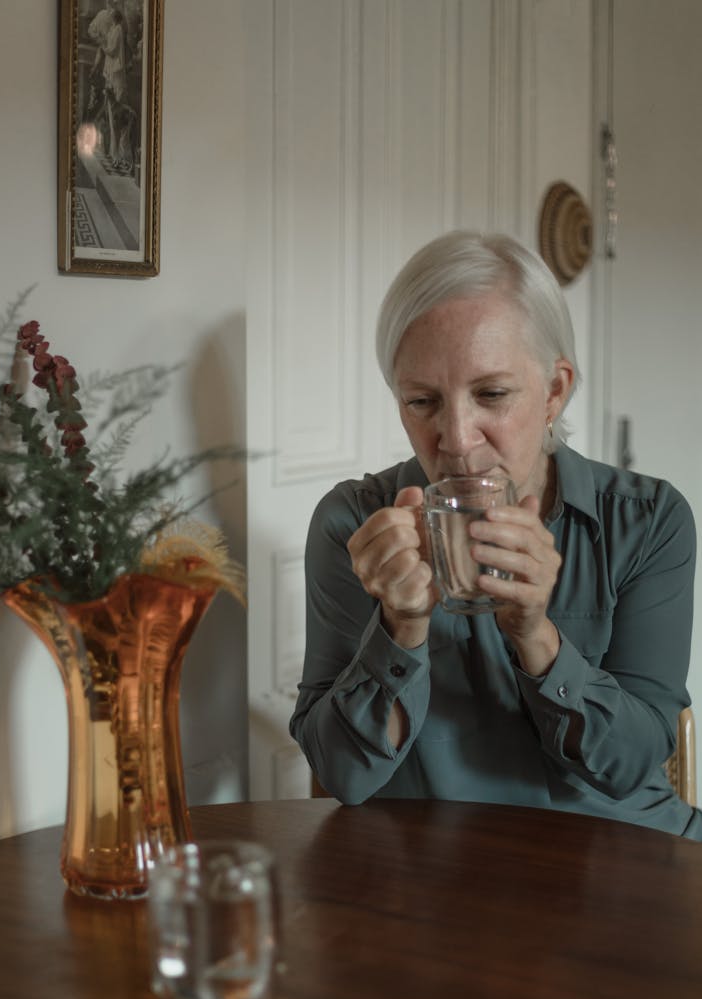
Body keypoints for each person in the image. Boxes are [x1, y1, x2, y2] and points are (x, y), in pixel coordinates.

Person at [289, 230, 702, 841]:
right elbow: (343, 776)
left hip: (617, 857)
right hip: (435, 878)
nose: (455, 439)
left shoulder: (648, 522)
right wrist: (400, 628)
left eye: (492, 394)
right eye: (422, 401)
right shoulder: (354, 524)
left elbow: (632, 764)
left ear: (555, 390)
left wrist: (537, 635)